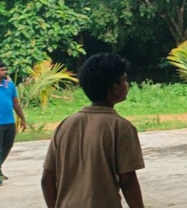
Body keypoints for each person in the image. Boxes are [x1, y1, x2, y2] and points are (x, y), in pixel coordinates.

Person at [41, 53, 145, 207]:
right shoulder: (121, 128)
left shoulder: (66, 125)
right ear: (114, 88)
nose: (127, 84)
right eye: (124, 80)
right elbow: (128, 181)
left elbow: (47, 180)